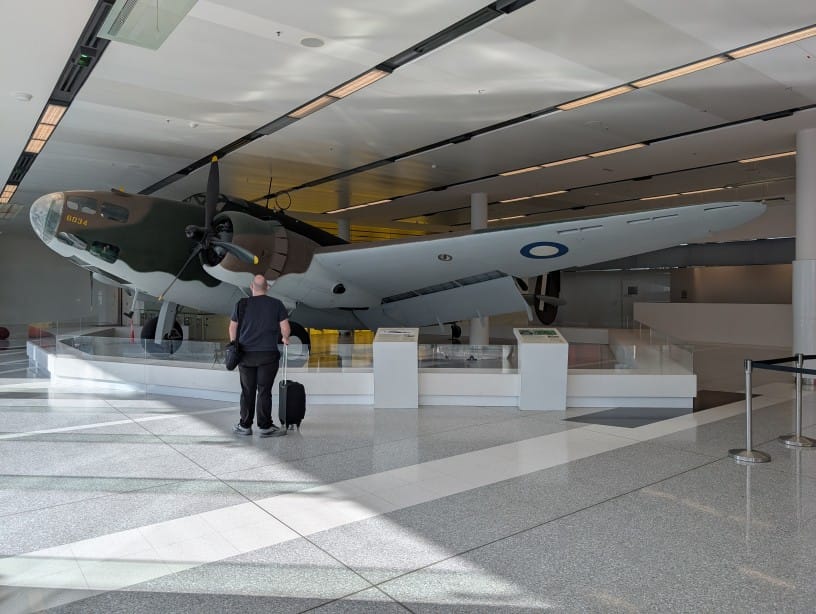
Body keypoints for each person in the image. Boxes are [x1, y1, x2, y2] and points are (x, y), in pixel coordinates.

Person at [229, 274, 290, 437]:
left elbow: (232, 327)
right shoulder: (276, 304)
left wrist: (234, 343)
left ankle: (245, 426)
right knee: (264, 391)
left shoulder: (241, 304)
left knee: (247, 391)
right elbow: (285, 327)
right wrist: (285, 337)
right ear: (267, 288)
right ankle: (264, 427)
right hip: (268, 356)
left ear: (251, 287)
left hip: (245, 355)